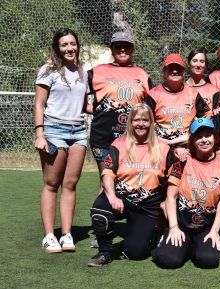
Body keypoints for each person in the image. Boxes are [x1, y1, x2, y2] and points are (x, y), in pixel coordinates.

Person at [87, 103, 174, 267]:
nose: (141, 124)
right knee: (100, 211)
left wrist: (165, 205)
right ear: (130, 122)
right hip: (121, 199)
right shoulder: (119, 144)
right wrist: (112, 197)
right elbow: (107, 174)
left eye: (145, 120)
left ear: (151, 123)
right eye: (137, 120)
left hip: (147, 206)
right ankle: (104, 252)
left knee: (136, 253)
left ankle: (128, 243)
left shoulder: (163, 148)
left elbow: (172, 181)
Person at [34, 28, 92, 253]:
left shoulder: (82, 73)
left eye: (73, 44)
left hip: (78, 132)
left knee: (70, 184)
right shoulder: (48, 70)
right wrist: (40, 134)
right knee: (51, 184)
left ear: (78, 46)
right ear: (57, 48)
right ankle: (49, 236)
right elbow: (39, 104)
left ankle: (66, 235)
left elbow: (84, 106)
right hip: (53, 131)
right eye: (64, 45)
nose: (70, 48)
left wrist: (106, 108)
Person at [151, 118, 220, 269]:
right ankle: (169, 245)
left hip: (207, 226)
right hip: (182, 225)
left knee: (208, 261)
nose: (204, 140)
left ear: (215, 138)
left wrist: (215, 231)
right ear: (192, 140)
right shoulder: (183, 160)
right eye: (198, 136)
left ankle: (191, 247)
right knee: (169, 261)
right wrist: (173, 227)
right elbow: (171, 196)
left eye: (207, 135)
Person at [88, 31, 153, 195]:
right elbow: (76, 92)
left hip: (132, 139)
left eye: (126, 46)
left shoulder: (142, 74)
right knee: (106, 182)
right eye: (118, 46)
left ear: (132, 49)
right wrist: (97, 111)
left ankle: (132, 219)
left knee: (129, 182)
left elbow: (151, 108)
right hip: (103, 137)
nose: (122, 50)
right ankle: (103, 220)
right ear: (111, 49)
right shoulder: (98, 71)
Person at [145, 53, 210, 148]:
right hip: (159, 145)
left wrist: (193, 132)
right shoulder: (153, 94)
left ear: (183, 72)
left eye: (178, 68)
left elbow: (206, 114)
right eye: (170, 68)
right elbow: (145, 120)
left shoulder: (193, 94)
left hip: (186, 145)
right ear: (164, 71)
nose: (175, 71)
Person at [186, 48, 220, 117]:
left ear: (205, 66)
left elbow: (217, 116)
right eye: (195, 61)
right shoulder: (181, 89)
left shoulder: (214, 91)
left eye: (202, 61)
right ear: (188, 63)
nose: (198, 65)